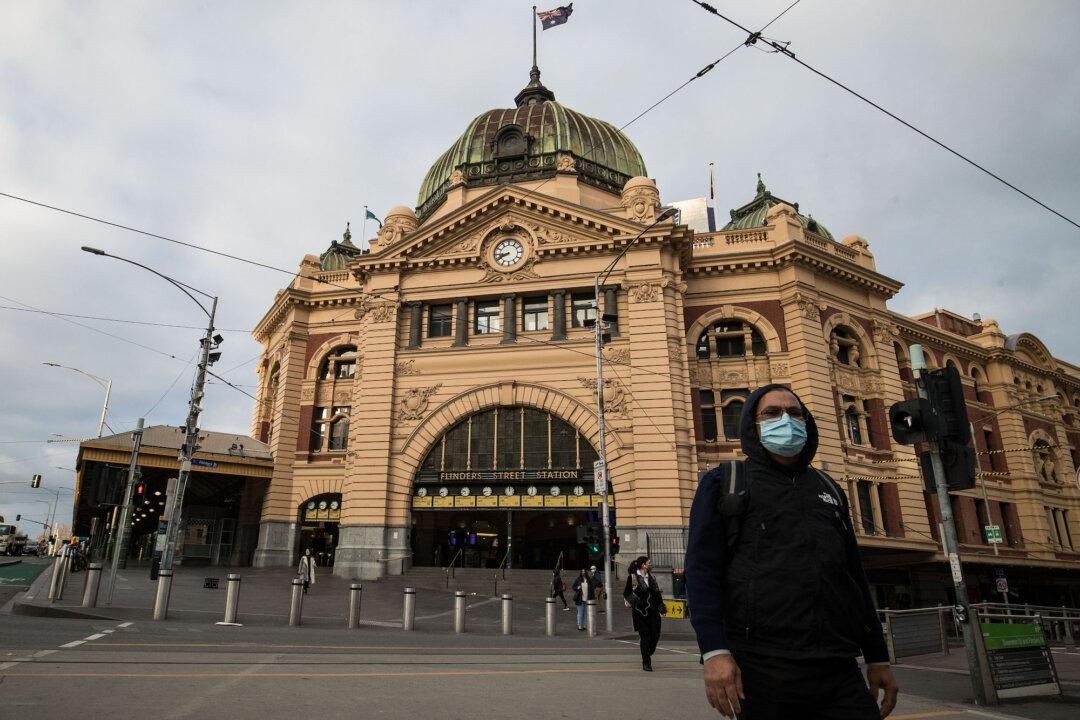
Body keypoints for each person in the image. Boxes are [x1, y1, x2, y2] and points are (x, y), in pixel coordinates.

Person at [685, 384, 899, 719]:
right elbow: (701, 573)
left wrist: (877, 656)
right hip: (762, 666)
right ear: (752, 425)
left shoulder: (828, 488)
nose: (786, 420)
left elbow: (852, 577)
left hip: (837, 666)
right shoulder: (724, 482)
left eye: (795, 412)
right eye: (771, 413)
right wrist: (714, 651)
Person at [623, 555, 664, 671]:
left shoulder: (652, 577)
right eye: (648, 563)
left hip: (653, 612)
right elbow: (626, 594)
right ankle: (646, 662)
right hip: (639, 613)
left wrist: (661, 604)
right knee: (645, 637)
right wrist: (637, 601)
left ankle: (647, 652)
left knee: (655, 635)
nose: (650, 564)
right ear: (643, 565)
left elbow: (657, 593)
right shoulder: (633, 578)